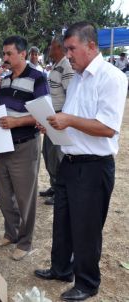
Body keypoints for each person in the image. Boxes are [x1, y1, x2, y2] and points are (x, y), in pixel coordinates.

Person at [34, 21, 127, 301]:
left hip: (94, 166)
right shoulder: (77, 77)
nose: (68, 55)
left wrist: (69, 119)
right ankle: (61, 268)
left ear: (91, 46)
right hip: (70, 160)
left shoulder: (111, 77)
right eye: (66, 49)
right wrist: (53, 125)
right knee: (62, 220)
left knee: (86, 228)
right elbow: (73, 119)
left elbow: (108, 127)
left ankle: (87, 283)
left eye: (72, 49)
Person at [0, 36, 50, 260]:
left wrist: (16, 122)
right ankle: (11, 232)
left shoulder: (38, 78)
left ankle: (25, 242)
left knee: (26, 197)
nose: (4, 57)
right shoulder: (4, 80)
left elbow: (43, 115)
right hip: (3, 143)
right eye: (3, 53)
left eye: (9, 53)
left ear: (22, 54)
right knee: (4, 195)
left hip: (25, 144)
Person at [41, 36, 75, 205]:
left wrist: (64, 119)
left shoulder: (66, 66)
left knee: (57, 156)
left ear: (60, 48)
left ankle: (60, 191)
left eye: (52, 46)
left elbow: (71, 95)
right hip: (51, 117)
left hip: (59, 117)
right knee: (47, 153)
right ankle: (54, 185)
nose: (50, 49)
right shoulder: (56, 65)